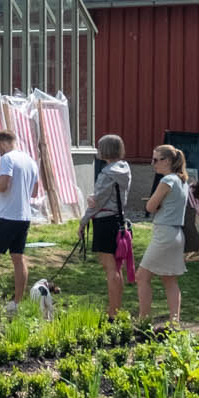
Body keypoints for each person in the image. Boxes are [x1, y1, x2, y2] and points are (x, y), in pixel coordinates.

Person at [0, 127, 42, 302]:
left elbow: (3, 186)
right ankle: (18, 300)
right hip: (24, 217)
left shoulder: (7, 159)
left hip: (6, 216)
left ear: (3, 142)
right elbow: (34, 192)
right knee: (18, 257)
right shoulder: (30, 160)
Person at [137, 145, 189, 326]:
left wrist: (156, 204)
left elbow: (149, 207)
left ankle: (143, 319)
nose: (153, 164)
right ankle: (175, 321)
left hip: (164, 233)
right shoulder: (182, 181)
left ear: (167, 161)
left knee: (142, 277)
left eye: (156, 160)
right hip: (177, 234)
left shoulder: (167, 180)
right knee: (170, 280)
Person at [85, 135, 133, 318]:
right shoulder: (124, 169)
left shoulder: (106, 173)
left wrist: (82, 223)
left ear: (105, 150)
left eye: (99, 147)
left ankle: (113, 312)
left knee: (110, 268)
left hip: (104, 222)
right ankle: (116, 308)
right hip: (117, 220)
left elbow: (97, 202)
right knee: (116, 268)